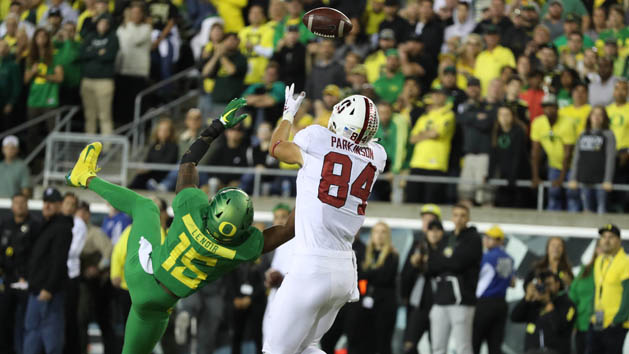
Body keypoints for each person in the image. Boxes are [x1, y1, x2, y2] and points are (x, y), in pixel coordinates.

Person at [65, 98, 296, 354]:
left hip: (144, 275)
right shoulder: (242, 249)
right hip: (161, 303)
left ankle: (84, 176)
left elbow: (188, 162)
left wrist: (216, 126)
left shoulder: (191, 210)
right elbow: (288, 229)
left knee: (147, 207)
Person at [264, 83, 386, 354]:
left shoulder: (316, 138)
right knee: (306, 347)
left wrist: (287, 114)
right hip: (344, 272)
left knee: (275, 350)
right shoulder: (377, 157)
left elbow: (277, 147)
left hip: (312, 267)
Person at [425, 204, 482, 354]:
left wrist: (444, 261)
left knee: (463, 347)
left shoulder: (474, 238)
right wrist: (448, 260)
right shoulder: (447, 238)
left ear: (468, 218)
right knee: (437, 347)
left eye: (462, 215)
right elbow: (432, 264)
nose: (459, 219)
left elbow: (459, 263)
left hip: (462, 300)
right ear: (451, 217)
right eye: (456, 215)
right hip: (440, 299)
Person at [23, 187, 73, 354]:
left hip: (49, 292)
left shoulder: (63, 227)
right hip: (35, 288)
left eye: (52, 203)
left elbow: (58, 261)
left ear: (59, 205)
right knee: (32, 334)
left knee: (51, 337)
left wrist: (50, 287)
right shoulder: (44, 225)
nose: (47, 206)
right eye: (45, 202)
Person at [0, 193, 40, 354]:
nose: (20, 206)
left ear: (28, 205)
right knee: (4, 318)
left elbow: (37, 254)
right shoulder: (5, 224)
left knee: (24, 320)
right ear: (12, 206)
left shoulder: (35, 225)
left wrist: (29, 274)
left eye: (23, 203)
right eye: (17, 203)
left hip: (27, 281)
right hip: (7, 279)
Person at [76, 201, 115, 354]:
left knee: (102, 321)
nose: (79, 215)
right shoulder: (73, 231)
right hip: (78, 282)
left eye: (82, 212)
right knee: (80, 321)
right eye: (77, 212)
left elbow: (109, 252)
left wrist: (97, 268)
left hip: (97, 284)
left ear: (87, 215)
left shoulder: (94, 233)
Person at [406, 89, 455, 204]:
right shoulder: (424, 116)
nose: (436, 96)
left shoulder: (448, 114)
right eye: (434, 94)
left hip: (436, 164)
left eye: (440, 94)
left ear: (445, 97)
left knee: (431, 202)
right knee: (412, 201)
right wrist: (428, 134)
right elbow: (412, 139)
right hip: (417, 163)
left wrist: (422, 134)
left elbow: (436, 133)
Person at [531, 94, 578, 211]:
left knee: (572, 195)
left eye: (551, 107)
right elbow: (535, 152)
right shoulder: (538, 123)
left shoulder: (567, 123)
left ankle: (573, 223)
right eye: (545, 107)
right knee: (553, 195)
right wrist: (535, 176)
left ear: (557, 108)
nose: (548, 110)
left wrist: (561, 177)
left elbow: (568, 154)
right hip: (554, 165)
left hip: (572, 166)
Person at [511, 270, 576, 354]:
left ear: (557, 284)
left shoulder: (567, 304)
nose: (546, 288)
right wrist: (526, 298)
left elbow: (561, 327)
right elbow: (515, 317)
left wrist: (549, 305)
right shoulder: (535, 304)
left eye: (548, 284)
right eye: (542, 285)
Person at [472, 226, 514, 354]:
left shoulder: (486, 257)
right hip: (501, 303)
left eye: (490, 238)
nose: (486, 240)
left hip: (484, 303)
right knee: (495, 344)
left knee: (475, 341)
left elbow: (474, 277)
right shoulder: (509, 258)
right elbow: (512, 283)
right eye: (486, 237)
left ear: (500, 241)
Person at [359, 222, 399, 354]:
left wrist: (368, 274)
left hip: (385, 305)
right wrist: (373, 273)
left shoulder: (392, 255)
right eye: (376, 231)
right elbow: (359, 274)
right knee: (367, 342)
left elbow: (384, 277)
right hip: (367, 304)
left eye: (383, 232)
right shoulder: (366, 253)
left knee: (383, 343)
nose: (379, 235)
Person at [568, 106, 616, 214]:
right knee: (586, 211)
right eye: (594, 114)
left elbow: (610, 158)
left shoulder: (608, 134)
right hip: (584, 179)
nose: (597, 117)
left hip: (601, 181)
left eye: (600, 115)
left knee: (601, 210)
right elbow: (576, 157)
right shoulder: (583, 134)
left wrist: (608, 180)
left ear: (604, 118)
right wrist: (573, 178)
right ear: (590, 117)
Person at [591, 224, 629, 354]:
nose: (606, 240)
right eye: (603, 237)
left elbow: (628, 293)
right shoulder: (599, 260)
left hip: (615, 324)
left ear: (619, 240)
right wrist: (593, 313)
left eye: (611, 237)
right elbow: (597, 290)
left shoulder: (626, 262)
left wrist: (618, 320)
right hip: (598, 321)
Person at [80, 13, 118, 136]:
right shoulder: (90, 36)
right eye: (101, 22)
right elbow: (82, 54)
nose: (103, 25)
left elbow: (109, 56)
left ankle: (107, 149)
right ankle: (89, 149)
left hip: (104, 82)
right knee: (89, 115)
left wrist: (92, 52)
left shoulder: (113, 38)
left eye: (106, 23)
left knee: (104, 116)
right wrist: (98, 52)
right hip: (87, 81)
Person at [115, 1, 151, 124]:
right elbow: (120, 47)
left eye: (137, 13)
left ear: (142, 15)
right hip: (123, 71)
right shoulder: (122, 29)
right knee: (122, 106)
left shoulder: (146, 28)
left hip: (138, 73)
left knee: (135, 108)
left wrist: (128, 21)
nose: (134, 15)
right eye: (132, 13)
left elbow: (133, 40)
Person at [61, 192, 87, 354]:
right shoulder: (57, 221)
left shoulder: (79, 224)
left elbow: (74, 251)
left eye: (72, 204)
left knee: (70, 317)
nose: (69, 206)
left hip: (71, 275)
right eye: (67, 203)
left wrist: (56, 252)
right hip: (57, 276)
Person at [129, 118, 179, 190]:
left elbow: (168, 162)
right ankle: (129, 188)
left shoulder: (173, 146)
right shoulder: (153, 145)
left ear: (170, 132)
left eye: (165, 130)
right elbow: (147, 160)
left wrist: (150, 168)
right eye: (161, 130)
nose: (163, 132)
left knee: (142, 177)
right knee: (140, 176)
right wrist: (143, 167)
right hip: (150, 173)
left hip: (163, 174)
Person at [569, 240, 600, 354]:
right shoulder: (585, 270)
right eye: (599, 247)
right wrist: (573, 322)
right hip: (582, 324)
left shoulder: (617, 271)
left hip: (605, 326)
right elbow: (573, 297)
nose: (602, 250)